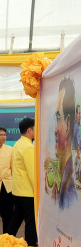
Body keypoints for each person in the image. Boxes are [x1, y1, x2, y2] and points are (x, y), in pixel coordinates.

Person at [7, 118, 37, 247]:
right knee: (30, 221)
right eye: (36, 129)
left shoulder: (18, 144)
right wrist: (38, 191)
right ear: (30, 130)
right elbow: (32, 172)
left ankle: (5, 243)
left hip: (18, 190)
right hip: (28, 191)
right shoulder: (28, 147)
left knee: (17, 218)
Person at [54, 78, 78, 209]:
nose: (55, 129)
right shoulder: (64, 179)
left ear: (68, 124)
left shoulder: (69, 191)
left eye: (58, 118)